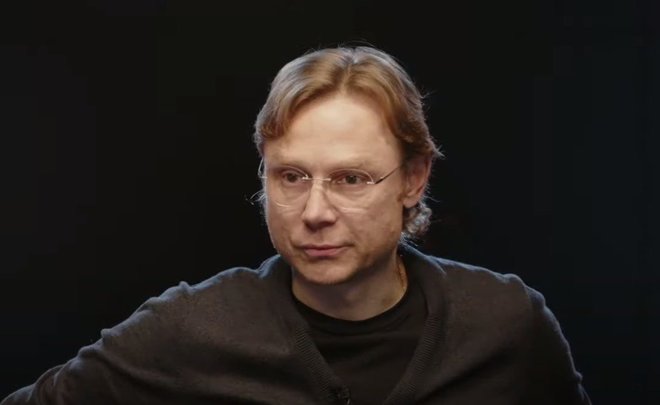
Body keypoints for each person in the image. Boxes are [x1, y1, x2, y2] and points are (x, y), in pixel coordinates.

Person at [2, 45, 591, 404]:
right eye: (290, 176)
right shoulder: (191, 330)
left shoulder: (507, 325)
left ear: (413, 179)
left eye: (351, 179)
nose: (314, 212)